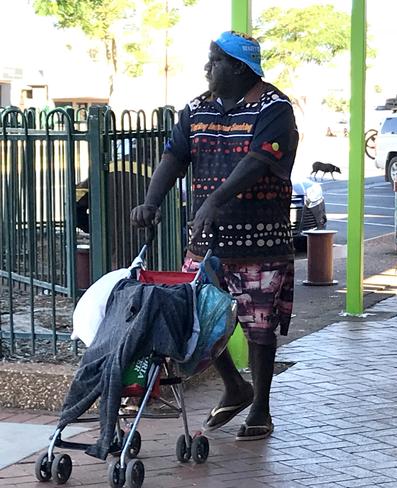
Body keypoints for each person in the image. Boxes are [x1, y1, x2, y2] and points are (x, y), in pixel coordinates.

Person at [131, 31, 299, 440]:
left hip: (260, 240)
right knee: (198, 318)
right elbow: (174, 155)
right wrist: (152, 201)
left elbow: (259, 161)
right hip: (206, 241)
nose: (207, 69)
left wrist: (215, 201)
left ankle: (260, 406)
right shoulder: (197, 108)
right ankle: (234, 387)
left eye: (215, 61)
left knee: (258, 327)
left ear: (239, 68)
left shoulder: (274, 109)